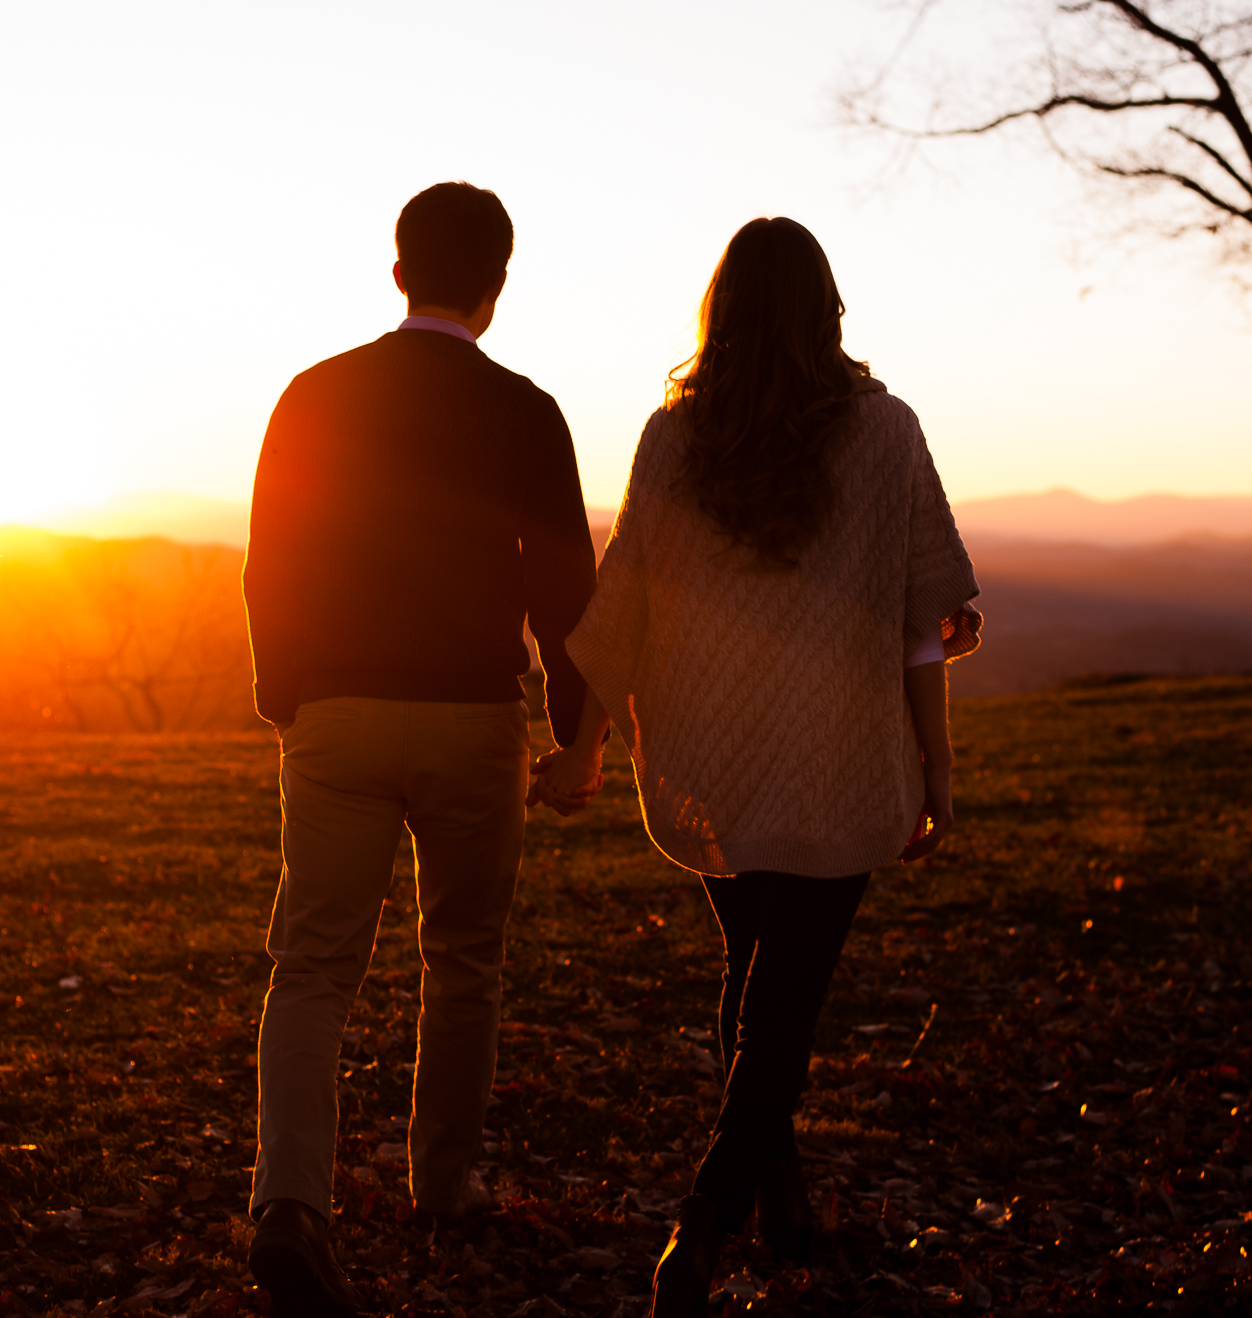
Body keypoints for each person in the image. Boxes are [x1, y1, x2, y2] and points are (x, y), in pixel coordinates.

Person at [531, 217, 982, 1317]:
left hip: (715, 755)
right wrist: (937, 764)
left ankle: (778, 1209)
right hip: (840, 762)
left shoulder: (675, 437)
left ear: (718, 314)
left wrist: (585, 745)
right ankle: (702, 1228)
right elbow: (925, 624)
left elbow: (623, 600)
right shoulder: (886, 430)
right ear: (827, 308)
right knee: (783, 1000)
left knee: (756, 983)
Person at [241, 181, 597, 1318]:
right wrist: (577, 735)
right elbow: (564, 590)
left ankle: (291, 1205)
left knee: (312, 971)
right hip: (472, 720)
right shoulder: (528, 412)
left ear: (398, 272)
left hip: (338, 713)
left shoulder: (314, 396)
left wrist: (286, 699)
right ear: (495, 286)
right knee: (465, 960)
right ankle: (442, 1187)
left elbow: (268, 564)